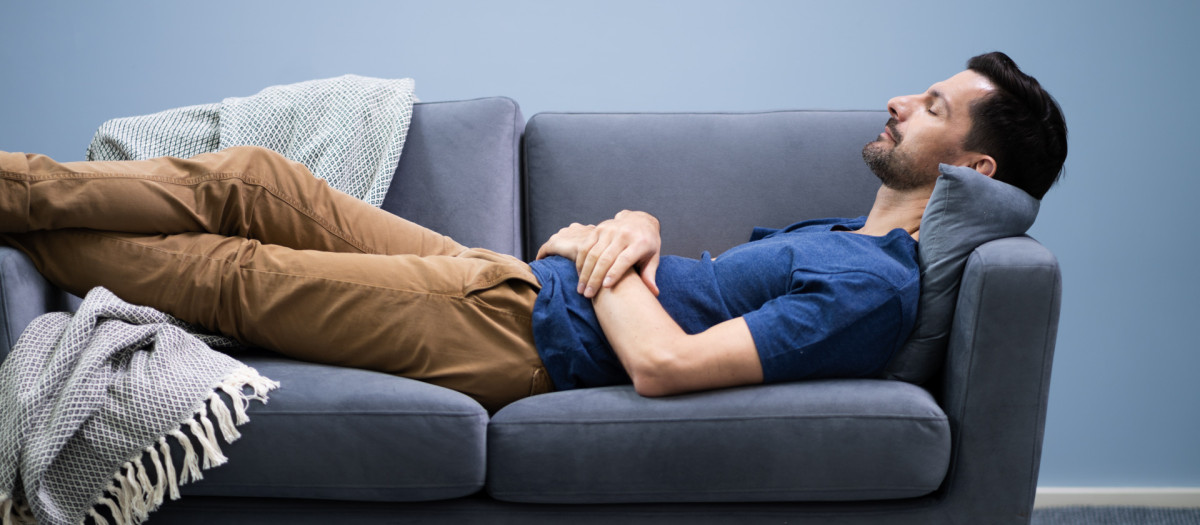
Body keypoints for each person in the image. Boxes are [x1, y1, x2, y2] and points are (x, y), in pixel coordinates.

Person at [0, 51, 1066, 413]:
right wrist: (631, 226)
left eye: (931, 107)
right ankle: (23, 193)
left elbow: (664, 363)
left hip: (519, 341)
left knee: (234, 272)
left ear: (975, 169)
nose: (897, 104)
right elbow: (681, 286)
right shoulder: (844, 233)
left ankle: (26, 230)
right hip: (510, 283)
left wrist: (605, 253)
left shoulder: (877, 287)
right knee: (261, 176)